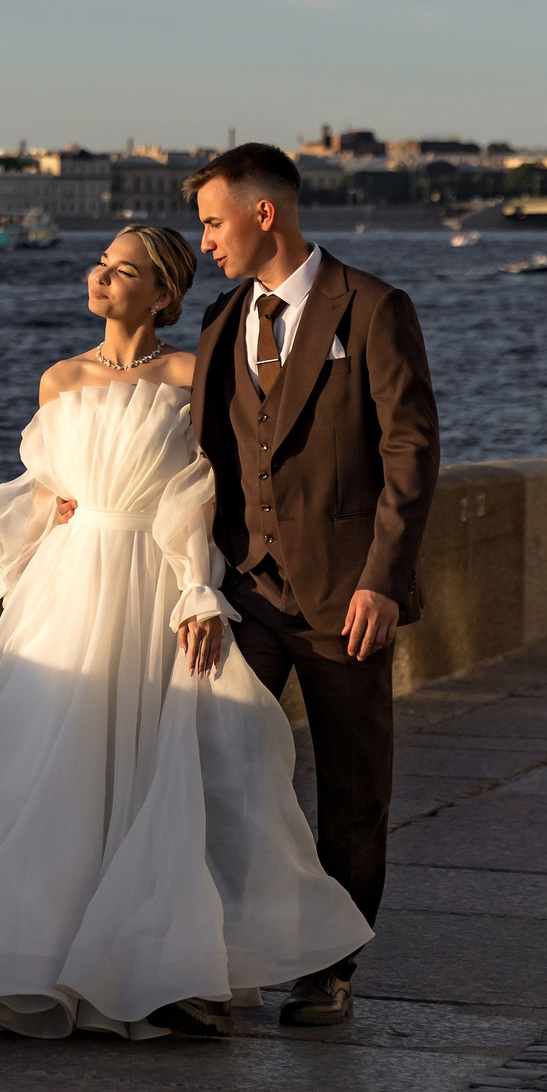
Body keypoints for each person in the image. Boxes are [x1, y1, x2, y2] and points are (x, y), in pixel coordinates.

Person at [0, 224, 371, 1040]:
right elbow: (39, 487)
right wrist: (53, 508)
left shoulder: (190, 376)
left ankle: (160, 965)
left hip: (148, 583)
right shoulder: (59, 378)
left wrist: (197, 594)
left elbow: (200, 494)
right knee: (42, 770)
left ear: (163, 295)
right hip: (67, 588)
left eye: (124, 270)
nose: (101, 277)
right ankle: (29, 957)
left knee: (159, 770)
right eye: (102, 265)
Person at [183, 143, 439, 1027]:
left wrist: (383, 578)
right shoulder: (221, 318)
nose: (205, 240)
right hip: (245, 591)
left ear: (265, 215)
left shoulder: (372, 308)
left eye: (214, 220)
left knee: (354, 788)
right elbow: (192, 444)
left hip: (343, 595)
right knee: (216, 767)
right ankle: (213, 957)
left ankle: (332, 965)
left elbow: (410, 453)